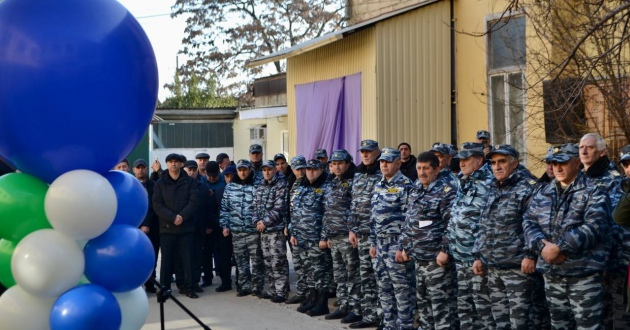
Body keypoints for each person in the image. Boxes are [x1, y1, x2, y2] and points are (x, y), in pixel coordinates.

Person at [524, 143, 611, 329]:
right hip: (552, 276)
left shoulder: (594, 190)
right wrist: (542, 247)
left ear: (577, 162)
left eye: (562, 163)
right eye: (553, 163)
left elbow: (595, 226)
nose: (557, 168)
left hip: (583, 275)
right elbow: (529, 222)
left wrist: (560, 247)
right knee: (559, 325)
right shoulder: (544, 192)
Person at [472, 145, 537, 330]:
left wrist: (531, 255)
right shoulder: (492, 188)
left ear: (515, 163)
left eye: (502, 162)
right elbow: (483, 224)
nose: (497, 167)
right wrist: (478, 255)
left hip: (518, 268)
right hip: (493, 268)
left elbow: (534, 225)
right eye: (493, 163)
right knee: (500, 323)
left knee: (521, 323)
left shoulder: (527, 188)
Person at [399, 151, 457, 330]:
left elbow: (452, 224)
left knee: (441, 307)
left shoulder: (446, 192)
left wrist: (444, 251)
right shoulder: (416, 188)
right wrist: (405, 247)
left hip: (436, 260)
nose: (422, 172)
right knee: (423, 305)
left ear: (437, 169)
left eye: (426, 168)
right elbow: (409, 220)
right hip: (418, 258)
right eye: (419, 168)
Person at [578, 133, 628, 329]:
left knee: (615, 313)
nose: (583, 151)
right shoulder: (579, 177)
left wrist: (608, 259)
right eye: (581, 147)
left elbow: (615, 222)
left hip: (610, 259)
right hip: (584, 260)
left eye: (589, 147)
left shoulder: (613, 180)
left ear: (602, 152)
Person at [447, 142, 495, 329]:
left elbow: (490, 223)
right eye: (460, 160)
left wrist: (480, 255)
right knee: (465, 308)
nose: (462, 163)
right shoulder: (463, 181)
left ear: (480, 160)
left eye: (466, 159)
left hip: (478, 260)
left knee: (483, 309)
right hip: (460, 257)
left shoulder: (490, 183)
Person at [369, 148, 414, 330]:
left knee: (402, 290)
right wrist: (373, 243)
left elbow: (409, 220)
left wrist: (403, 247)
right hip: (380, 245)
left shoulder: (407, 185)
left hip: (396, 244)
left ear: (398, 163)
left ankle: (404, 325)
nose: (384, 165)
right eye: (382, 161)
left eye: (388, 161)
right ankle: (389, 324)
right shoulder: (379, 184)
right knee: (384, 288)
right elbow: (374, 216)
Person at [322, 149, 361, 324]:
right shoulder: (331, 182)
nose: (337, 167)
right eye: (334, 164)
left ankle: (355, 308)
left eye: (340, 164)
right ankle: (343, 305)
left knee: (352, 274)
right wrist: (327, 234)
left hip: (347, 236)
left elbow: (356, 209)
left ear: (347, 164)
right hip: (334, 236)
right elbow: (327, 211)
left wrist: (353, 230)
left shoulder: (354, 182)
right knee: (339, 275)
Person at [152, 153, 200, 299]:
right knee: (166, 261)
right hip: (167, 228)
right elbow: (157, 204)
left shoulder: (190, 182)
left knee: (188, 260)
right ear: (167, 164)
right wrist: (173, 218)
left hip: (186, 228)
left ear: (181, 164)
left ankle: (189, 288)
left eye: (176, 162)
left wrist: (182, 217)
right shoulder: (160, 183)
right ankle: (165, 289)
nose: (173, 164)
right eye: (170, 162)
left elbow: (193, 202)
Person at [348, 139, 382, 329]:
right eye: (363, 152)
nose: (365, 155)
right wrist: (352, 228)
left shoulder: (381, 173)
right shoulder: (358, 174)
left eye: (369, 151)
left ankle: (382, 316)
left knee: (379, 278)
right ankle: (368, 315)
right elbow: (353, 204)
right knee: (365, 276)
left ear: (377, 152)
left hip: (375, 235)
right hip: (360, 234)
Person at [290, 159, 331, 316]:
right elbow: (295, 211)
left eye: (314, 169)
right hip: (302, 237)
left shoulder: (326, 187)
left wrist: (323, 237)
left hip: (316, 238)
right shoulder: (302, 187)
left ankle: (322, 303)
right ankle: (311, 298)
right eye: (308, 169)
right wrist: (293, 232)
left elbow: (328, 215)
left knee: (320, 271)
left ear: (321, 170)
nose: (310, 172)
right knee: (308, 270)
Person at [219, 160, 264, 297]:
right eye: (240, 170)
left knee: (256, 260)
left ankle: (257, 287)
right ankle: (244, 286)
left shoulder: (257, 186)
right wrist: (225, 225)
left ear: (250, 170)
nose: (242, 173)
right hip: (237, 230)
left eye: (245, 169)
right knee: (240, 261)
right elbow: (225, 208)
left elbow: (261, 208)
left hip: (253, 231)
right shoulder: (230, 187)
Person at [253, 160, 289, 303]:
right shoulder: (261, 186)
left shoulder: (281, 184)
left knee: (277, 261)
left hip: (276, 230)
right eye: (264, 170)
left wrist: (265, 222)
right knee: (267, 262)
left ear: (275, 170)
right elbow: (254, 206)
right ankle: (272, 289)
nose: (266, 172)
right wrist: (257, 222)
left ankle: (281, 291)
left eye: (269, 169)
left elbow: (279, 207)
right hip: (263, 231)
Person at [182, 160, 212, 294]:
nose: (192, 172)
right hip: (184, 227)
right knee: (185, 257)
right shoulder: (180, 186)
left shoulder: (203, 187)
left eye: (194, 170)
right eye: (190, 169)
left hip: (200, 227)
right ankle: (184, 283)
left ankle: (195, 282)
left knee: (197, 257)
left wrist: (208, 225)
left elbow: (207, 208)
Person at [203, 161, 231, 292]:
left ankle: (224, 279)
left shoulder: (223, 183)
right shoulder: (202, 183)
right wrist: (208, 224)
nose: (212, 178)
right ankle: (207, 278)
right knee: (206, 253)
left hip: (220, 224)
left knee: (222, 254)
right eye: (210, 176)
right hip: (207, 224)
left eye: (214, 176)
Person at [133, 159, 160, 294]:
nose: (141, 170)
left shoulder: (154, 185)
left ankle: (151, 283)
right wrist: (140, 225)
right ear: (134, 170)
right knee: (136, 257)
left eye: (143, 167)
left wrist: (147, 224)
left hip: (153, 228)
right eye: (138, 168)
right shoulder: (131, 186)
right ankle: (137, 285)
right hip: (135, 229)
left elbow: (154, 206)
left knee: (152, 256)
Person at [285, 155, 309, 304]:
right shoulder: (292, 184)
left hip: (308, 231)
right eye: (297, 169)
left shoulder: (309, 183)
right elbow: (289, 209)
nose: (300, 171)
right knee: (298, 263)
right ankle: (302, 292)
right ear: (292, 169)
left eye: (302, 168)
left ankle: (310, 295)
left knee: (309, 265)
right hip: (295, 230)